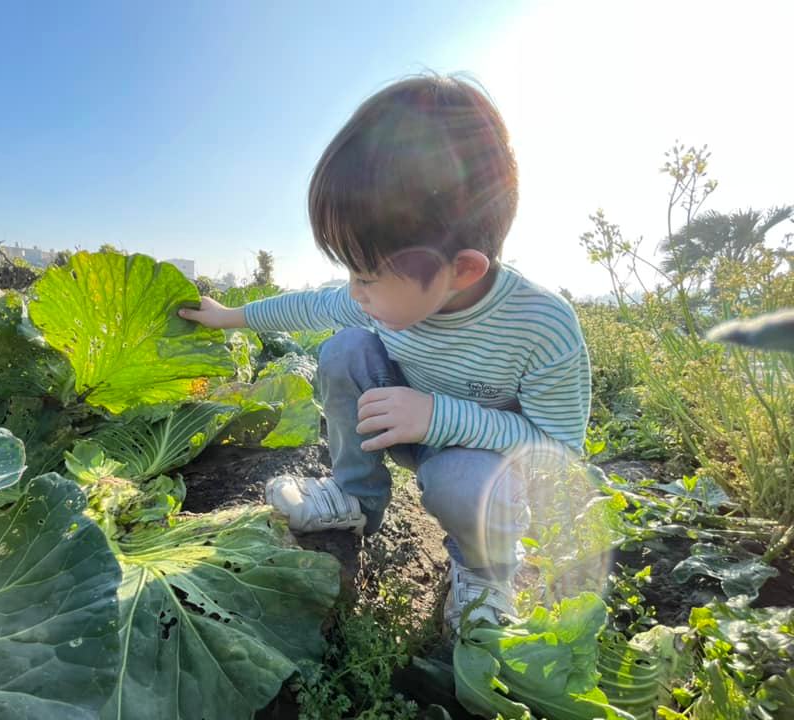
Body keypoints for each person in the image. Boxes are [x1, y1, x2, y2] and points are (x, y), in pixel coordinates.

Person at [178, 74, 591, 632]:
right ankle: (355, 497)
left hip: (480, 462)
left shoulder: (541, 326)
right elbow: (314, 306)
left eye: (366, 275)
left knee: (461, 484)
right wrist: (230, 316)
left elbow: (558, 450)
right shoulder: (381, 298)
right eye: (350, 271)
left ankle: (485, 571)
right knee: (344, 349)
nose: (354, 291)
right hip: (400, 425)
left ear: (462, 270)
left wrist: (437, 415)